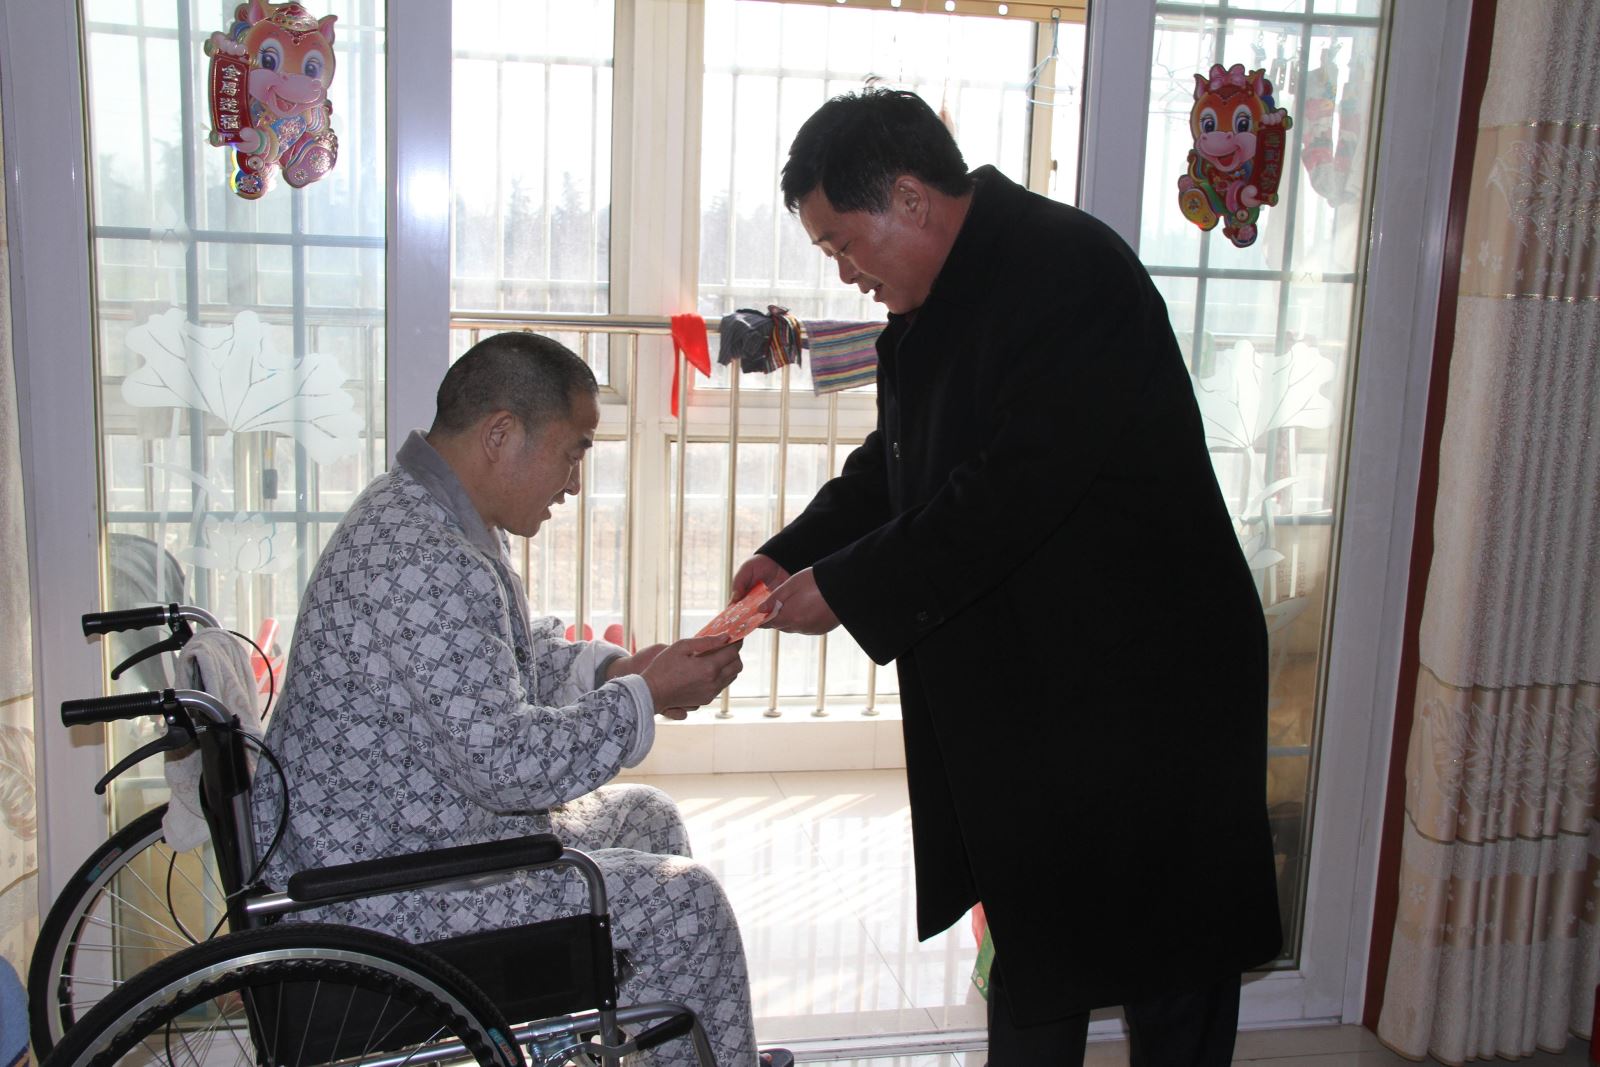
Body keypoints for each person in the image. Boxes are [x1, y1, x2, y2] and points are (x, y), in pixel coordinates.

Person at [731, 89, 1283, 1066]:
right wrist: (791, 551)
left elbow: (1009, 491)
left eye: (842, 244)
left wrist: (845, 587)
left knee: (1171, 962)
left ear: (909, 198)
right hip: (1045, 682)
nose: (844, 272)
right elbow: (896, 463)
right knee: (1036, 941)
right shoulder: (938, 298)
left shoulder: (1068, 273)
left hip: (1153, 681)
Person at [254, 331, 790, 1067]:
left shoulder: (435, 516)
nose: (574, 484)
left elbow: (501, 661)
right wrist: (645, 696)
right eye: (572, 453)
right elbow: (508, 764)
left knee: (648, 815)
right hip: (385, 894)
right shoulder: (418, 556)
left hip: (416, 835)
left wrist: (618, 670)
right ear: (500, 435)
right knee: (687, 904)